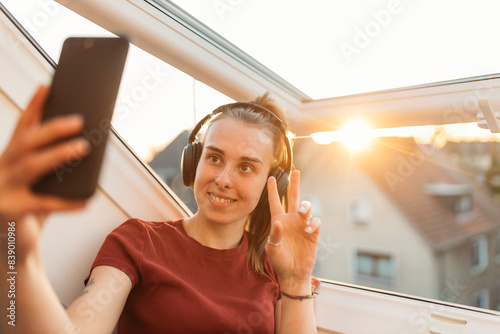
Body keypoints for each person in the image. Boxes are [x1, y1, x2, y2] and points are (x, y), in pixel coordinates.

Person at [0, 85, 321, 333]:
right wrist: (17, 256)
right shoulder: (138, 241)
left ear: (272, 183)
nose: (223, 179)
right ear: (193, 162)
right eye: (214, 158)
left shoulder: (275, 266)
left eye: (246, 167)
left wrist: (295, 280)